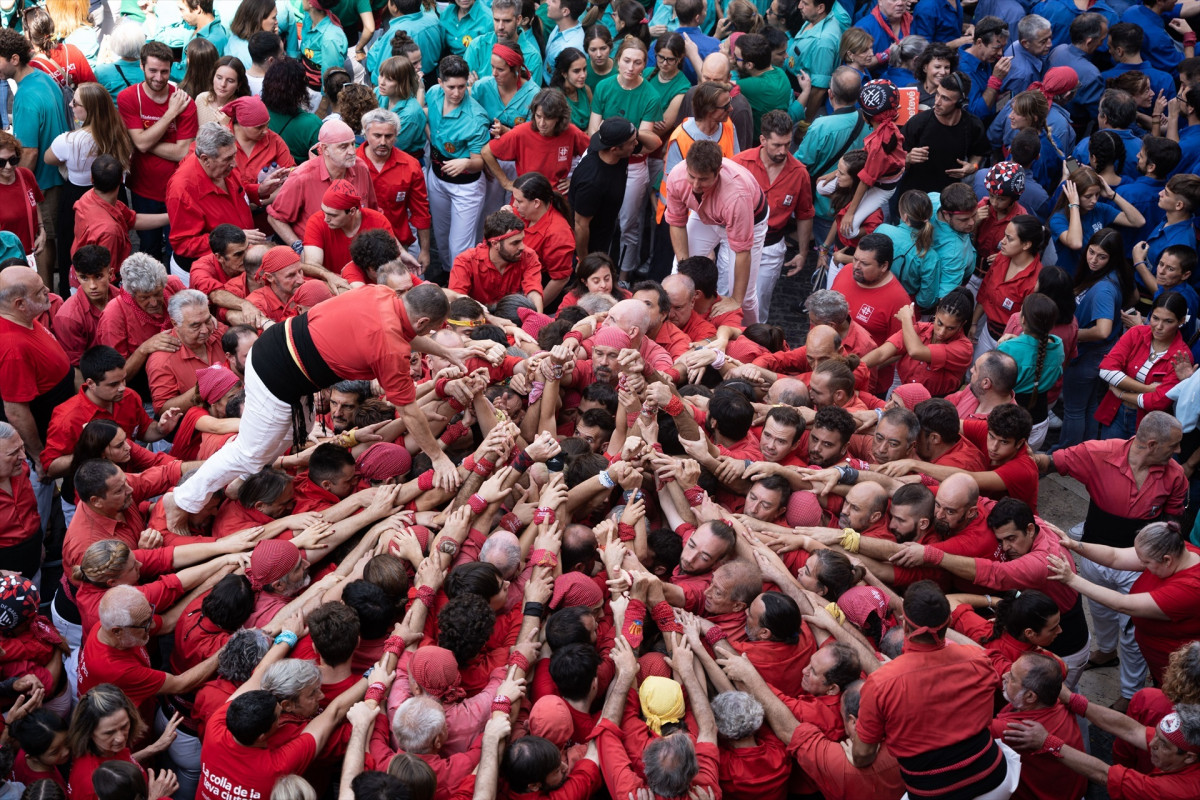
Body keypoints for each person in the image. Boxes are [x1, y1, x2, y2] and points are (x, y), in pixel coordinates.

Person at [161, 282, 460, 531]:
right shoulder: (390, 346)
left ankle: (235, 482)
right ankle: (182, 499)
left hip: (278, 352)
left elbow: (403, 335)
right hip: (276, 376)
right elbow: (408, 409)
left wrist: (446, 350)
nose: (427, 335)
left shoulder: (381, 293)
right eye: (431, 330)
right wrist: (438, 457)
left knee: (280, 442)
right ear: (422, 323)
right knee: (249, 454)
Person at [1035, 410, 1187, 707]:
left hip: (1141, 566)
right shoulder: (1098, 452)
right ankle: (1105, 652)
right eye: (1174, 445)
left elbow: (1174, 517)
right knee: (1100, 610)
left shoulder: (1175, 475)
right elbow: (1050, 462)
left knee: (1133, 631)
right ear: (1152, 444)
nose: (1179, 451)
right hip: (1094, 553)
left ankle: (1130, 694)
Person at [851, 581, 1019, 798]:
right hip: (995, 781)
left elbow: (862, 756)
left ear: (904, 627)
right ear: (948, 622)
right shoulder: (978, 659)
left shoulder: (881, 682)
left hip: (932, 792)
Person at [663, 141, 769, 324]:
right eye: (692, 176)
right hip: (704, 213)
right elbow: (676, 222)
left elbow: (742, 251)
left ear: (717, 172)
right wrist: (684, 268)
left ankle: (753, 335)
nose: (695, 185)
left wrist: (736, 299)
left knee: (746, 296)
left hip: (749, 219)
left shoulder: (736, 195)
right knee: (679, 276)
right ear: (686, 166)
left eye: (703, 179)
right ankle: (676, 324)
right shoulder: (677, 176)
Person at [0, 28, 70, 290]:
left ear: (14, 59)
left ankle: (43, 292)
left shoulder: (26, 98)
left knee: (43, 241)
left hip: (43, 182)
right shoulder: (43, 77)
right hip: (57, 176)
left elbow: (28, 152)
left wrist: (19, 184)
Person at [117, 41, 198, 266]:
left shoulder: (184, 101)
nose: (159, 77)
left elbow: (182, 152)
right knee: (148, 249)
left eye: (164, 71)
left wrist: (143, 139)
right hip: (144, 190)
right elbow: (140, 144)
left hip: (178, 190)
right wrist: (170, 114)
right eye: (153, 70)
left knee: (177, 250)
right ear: (141, 66)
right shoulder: (129, 97)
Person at [589, 37, 664, 280]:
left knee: (629, 224)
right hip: (601, 160)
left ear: (645, 65)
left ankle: (623, 276)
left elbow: (640, 145)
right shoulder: (604, 87)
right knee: (597, 219)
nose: (631, 68)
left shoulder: (650, 96)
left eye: (638, 62)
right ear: (617, 60)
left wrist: (614, 137)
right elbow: (593, 131)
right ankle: (595, 273)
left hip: (632, 167)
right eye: (627, 61)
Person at [734, 110, 813, 321]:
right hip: (736, 243)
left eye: (787, 144)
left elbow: (804, 214)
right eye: (777, 145)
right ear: (762, 139)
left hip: (771, 246)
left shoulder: (799, 173)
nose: (783, 151)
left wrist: (803, 253)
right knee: (729, 298)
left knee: (759, 302)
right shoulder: (738, 164)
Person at [423, 54, 490, 273]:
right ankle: (447, 276)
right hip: (437, 176)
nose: (457, 93)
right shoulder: (433, 94)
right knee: (441, 237)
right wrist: (432, 137)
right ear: (440, 82)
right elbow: (426, 116)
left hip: (466, 186)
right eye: (451, 86)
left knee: (459, 246)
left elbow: (480, 161)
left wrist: (465, 163)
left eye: (462, 87)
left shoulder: (476, 117)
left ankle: (460, 288)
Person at [1096, 291, 1190, 439]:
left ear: (1181, 321)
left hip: (1147, 424)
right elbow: (1106, 370)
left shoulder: (1181, 356)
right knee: (1108, 459)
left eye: (1168, 321)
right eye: (1155, 318)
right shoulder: (1136, 333)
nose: (1159, 326)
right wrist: (1146, 389)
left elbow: (1157, 402)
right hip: (1116, 412)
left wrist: (1121, 393)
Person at [862, 290, 974, 398]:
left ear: (962, 324)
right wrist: (853, 366)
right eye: (939, 323)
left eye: (950, 328)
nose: (941, 332)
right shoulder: (920, 329)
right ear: (936, 311)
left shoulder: (964, 348)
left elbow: (915, 351)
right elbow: (881, 353)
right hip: (901, 393)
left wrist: (906, 319)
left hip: (932, 405)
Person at [898, 72, 989, 196]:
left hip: (949, 198)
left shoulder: (973, 125)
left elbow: (979, 153)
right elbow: (894, 160)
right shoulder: (918, 123)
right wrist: (908, 158)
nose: (937, 102)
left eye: (945, 98)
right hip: (915, 197)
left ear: (960, 103)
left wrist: (973, 166)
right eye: (937, 94)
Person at [569, 118, 637, 263]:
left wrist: (630, 131)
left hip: (607, 229)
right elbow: (580, 225)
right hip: (590, 245)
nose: (636, 144)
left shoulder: (618, 151)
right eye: (632, 142)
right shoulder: (592, 182)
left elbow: (654, 144)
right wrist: (584, 260)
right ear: (615, 149)